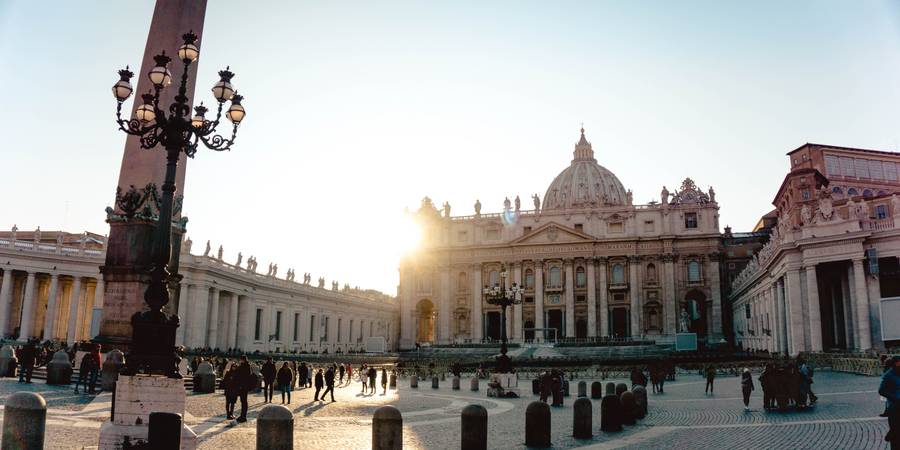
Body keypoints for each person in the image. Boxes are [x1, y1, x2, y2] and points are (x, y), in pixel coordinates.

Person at [879, 356, 900, 449]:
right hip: (894, 407)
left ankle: (891, 434)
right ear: (896, 363)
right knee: (896, 431)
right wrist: (895, 398)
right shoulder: (888, 375)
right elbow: (881, 390)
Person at [234, 356, 255, 423]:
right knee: (244, 401)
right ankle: (243, 416)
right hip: (244, 386)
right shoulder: (247, 366)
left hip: (243, 386)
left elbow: (241, 376)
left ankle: (243, 416)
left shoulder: (244, 366)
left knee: (243, 401)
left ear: (242, 360)